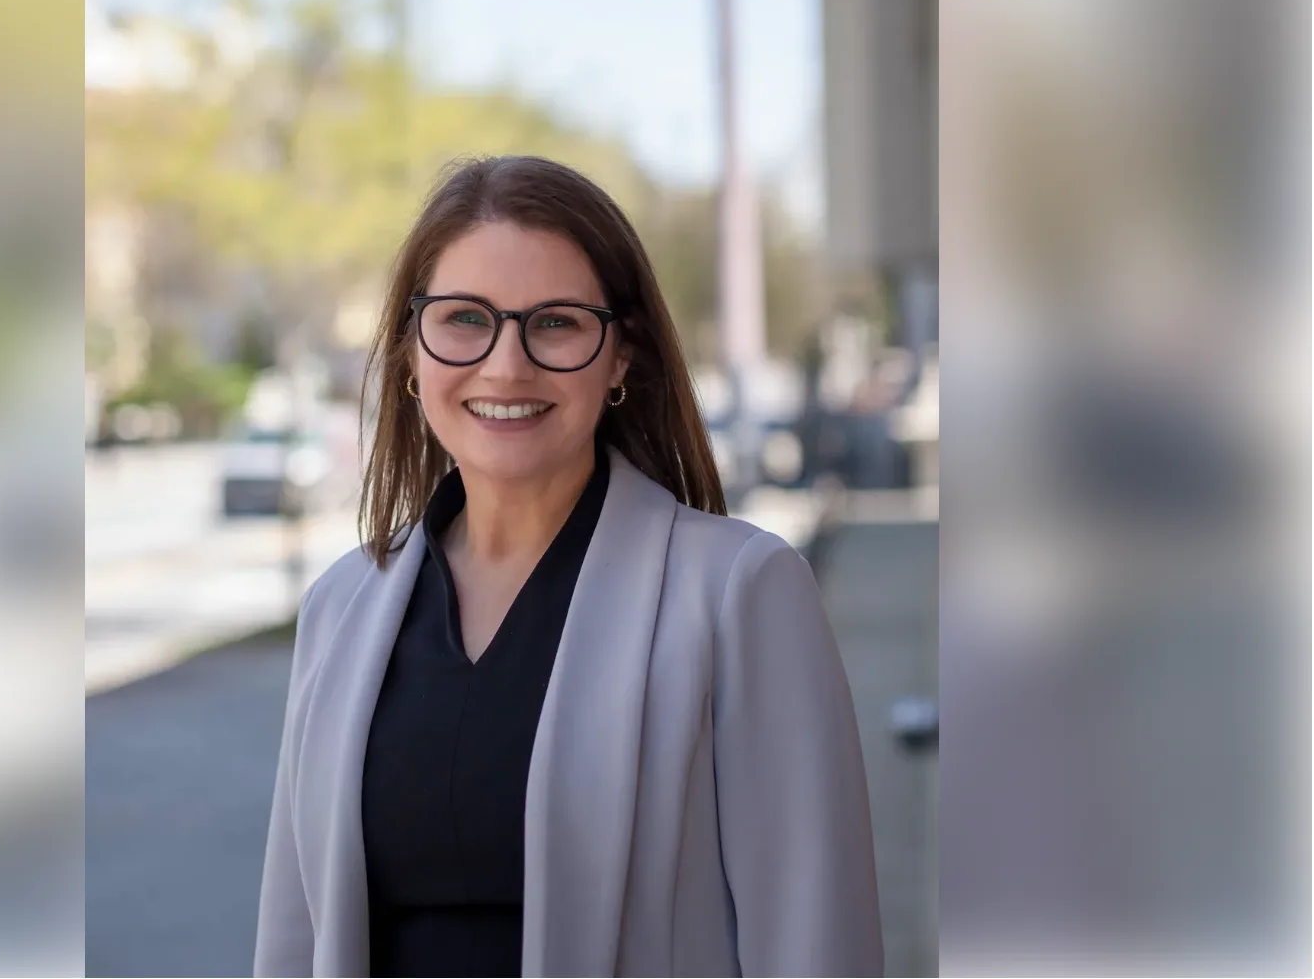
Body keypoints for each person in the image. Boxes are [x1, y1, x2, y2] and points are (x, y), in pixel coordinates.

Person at [254, 156, 881, 978]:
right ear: (411, 352)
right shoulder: (340, 609)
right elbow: (294, 939)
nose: (506, 365)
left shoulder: (738, 593)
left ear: (621, 356)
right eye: (464, 318)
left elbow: (815, 945)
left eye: (555, 323)